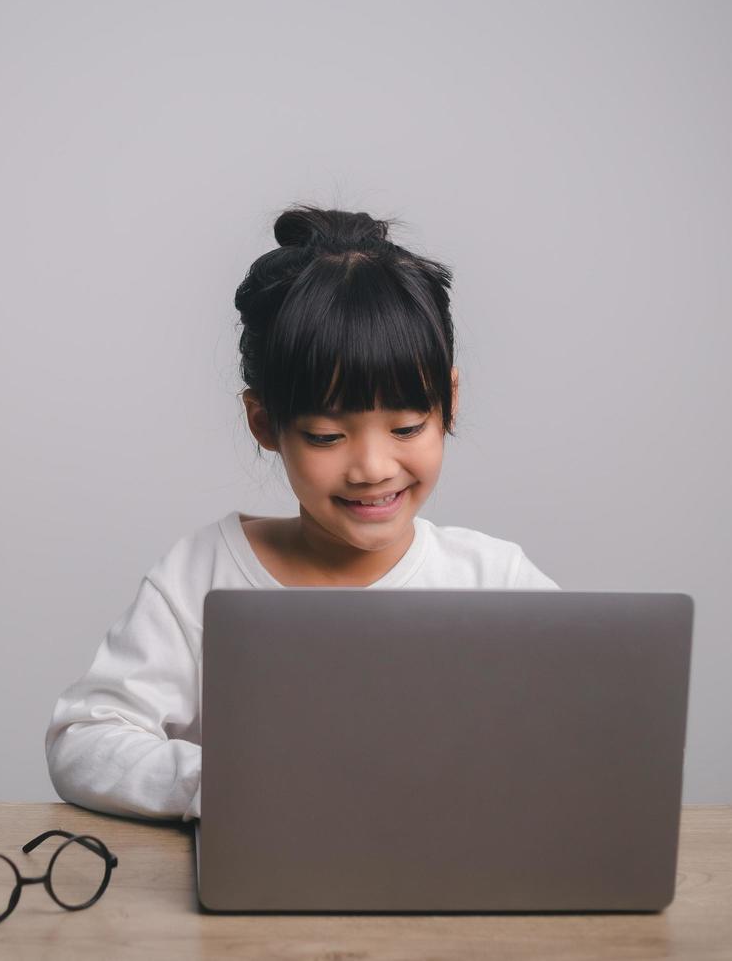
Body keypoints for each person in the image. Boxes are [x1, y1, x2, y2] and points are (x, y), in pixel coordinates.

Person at [44, 204, 560, 823]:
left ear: (448, 401)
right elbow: (84, 741)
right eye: (324, 436)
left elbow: (586, 732)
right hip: (259, 893)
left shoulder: (497, 582)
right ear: (265, 423)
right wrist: (224, 779)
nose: (372, 467)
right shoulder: (202, 575)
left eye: (407, 426)